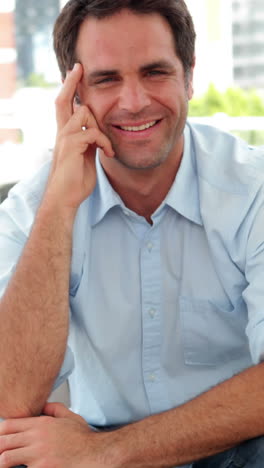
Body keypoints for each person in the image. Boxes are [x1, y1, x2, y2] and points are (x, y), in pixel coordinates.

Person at [0, 0, 264, 467]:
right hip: (88, 443)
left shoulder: (252, 191)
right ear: (74, 94)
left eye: (155, 72)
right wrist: (59, 208)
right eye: (106, 80)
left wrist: (108, 452)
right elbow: (9, 401)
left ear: (189, 75)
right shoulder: (33, 208)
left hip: (239, 443)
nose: (134, 101)